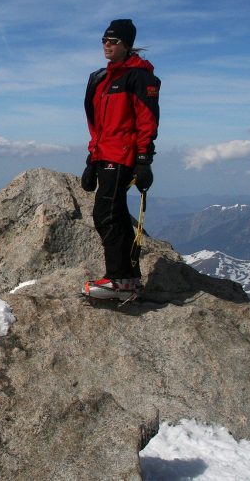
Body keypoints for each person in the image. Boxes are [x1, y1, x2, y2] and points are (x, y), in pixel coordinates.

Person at [80, 19, 160, 300]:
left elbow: (147, 120)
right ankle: (127, 278)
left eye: (113, 41)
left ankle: (119, 279)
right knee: (114, 215)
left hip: (123, 155)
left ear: (127, 44)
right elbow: (98, 125)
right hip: (105, 154)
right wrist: (92, 158)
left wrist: (143, 159)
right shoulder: (101, 79)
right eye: (104, 40)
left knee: (106, 215)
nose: (107, 45)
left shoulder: (139, 77)